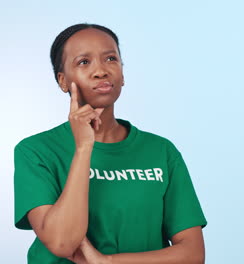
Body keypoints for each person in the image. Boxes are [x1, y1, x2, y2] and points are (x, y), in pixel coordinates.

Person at [13, 23, 207, 264]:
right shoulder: (36, 151)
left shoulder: (161, 151)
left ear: (122, 74)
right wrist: (84, 148)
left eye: (111, 59)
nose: (101, 71)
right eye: (84, 62)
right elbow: (62, 242)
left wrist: (108, 262)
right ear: (62, 81)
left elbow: (193, 254)